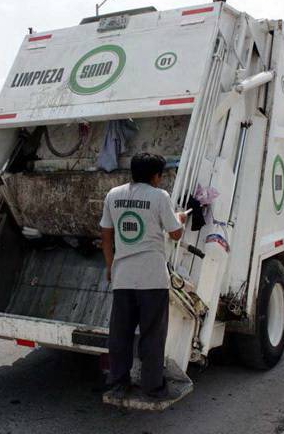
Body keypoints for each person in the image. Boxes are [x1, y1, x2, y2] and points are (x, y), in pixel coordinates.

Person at [100, 152, 186, 398]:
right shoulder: (159, 197)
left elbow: (106, 235)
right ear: (155, 176)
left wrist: (109, 265)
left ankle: (118, 382)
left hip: (123, 277)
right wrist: (180, 218)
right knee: (151, 335)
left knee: (120, 335)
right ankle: (152, 386)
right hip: (152, 279)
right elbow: (176, 234)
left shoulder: (113, 195)